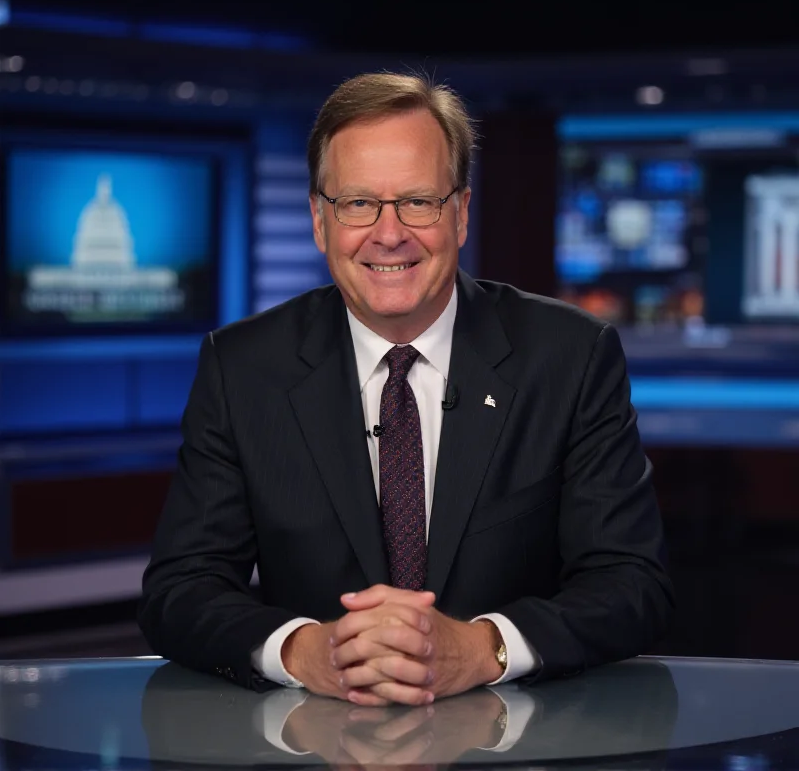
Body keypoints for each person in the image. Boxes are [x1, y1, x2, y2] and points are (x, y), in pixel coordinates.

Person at [138, 71, 675, 707]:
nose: (388, 233)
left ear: (461, 213)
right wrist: (303, 649)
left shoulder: (570, 357)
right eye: (357, 203)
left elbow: (632, 583)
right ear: (318, 220)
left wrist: (483, 648)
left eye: (417, 201)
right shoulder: (243, 367)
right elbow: (181, 589)